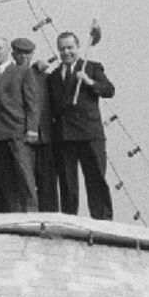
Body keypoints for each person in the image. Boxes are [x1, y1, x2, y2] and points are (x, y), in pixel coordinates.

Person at [48, 28, 117, 220]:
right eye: (62, 49)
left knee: (95, 179)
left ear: (78, 47)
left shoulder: (92, 67)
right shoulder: (53, 76)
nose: (66, 53)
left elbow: (109, 90)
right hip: (65, 136)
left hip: (89, 134)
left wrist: (89, 82)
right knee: (68, 183)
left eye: (70, 48)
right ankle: (70, 220)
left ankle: (102, 220)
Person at [0, 36, 50, 212]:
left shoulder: (22, 72)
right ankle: (13, 215)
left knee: (25, 177)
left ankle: (31, 214)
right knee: (6, 180)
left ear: (8, 51)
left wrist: (31, 129)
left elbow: (32, 103)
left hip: (19, 132)